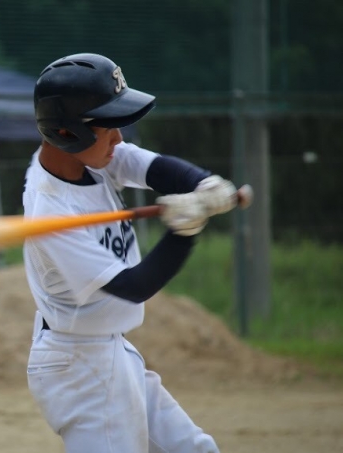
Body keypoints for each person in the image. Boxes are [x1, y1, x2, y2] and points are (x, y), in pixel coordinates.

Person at [24, 53, 238, 453]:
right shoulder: (50, 213)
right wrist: (183, 232)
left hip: (109, 350)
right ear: (68, 133)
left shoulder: (92, 161)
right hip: (77, 367)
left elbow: (152, 167)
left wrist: (203, 184)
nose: (119, 139)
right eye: (108, 128)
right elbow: (132, 286)